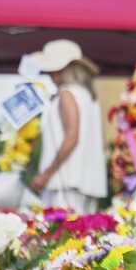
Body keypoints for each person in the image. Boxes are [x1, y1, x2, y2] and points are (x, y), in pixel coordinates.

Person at [26, 39, 109, 213]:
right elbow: (102, 143)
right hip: (87, 182)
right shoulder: (90, 97)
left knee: (61, 235)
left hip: (65, 183)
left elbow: (72, 137)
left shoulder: (66, 94)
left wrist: (46, 174)